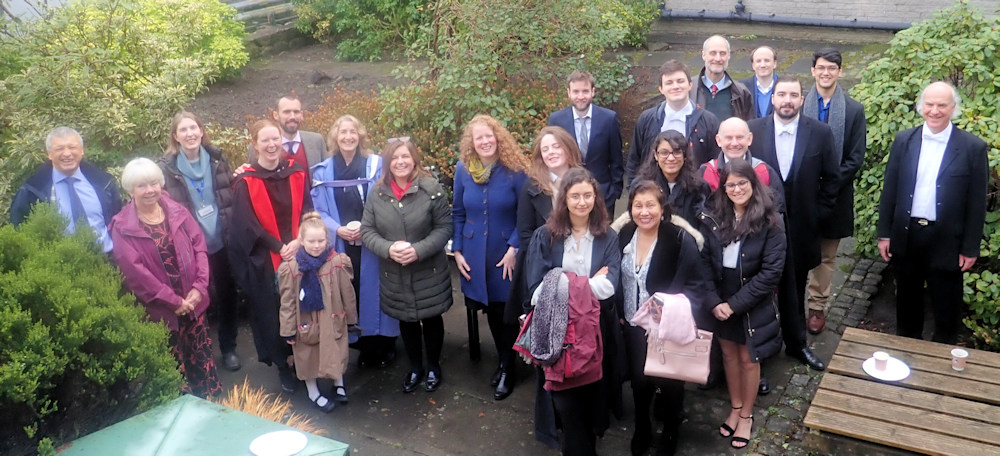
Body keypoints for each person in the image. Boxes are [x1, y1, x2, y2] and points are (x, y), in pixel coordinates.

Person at [877, 81, 987, 344]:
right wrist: (884, 234)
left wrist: (970, 248)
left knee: (947, 309)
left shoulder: (972, 147)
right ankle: (906, 355)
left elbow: (976, 203)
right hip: (908, 236)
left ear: (953, 108)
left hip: (947, 240)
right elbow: (890, 190)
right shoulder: (904, 140)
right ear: (921, 106)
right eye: (930, 104)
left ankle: (942, 367)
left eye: (942, 105)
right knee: (906, 305)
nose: (935, 111)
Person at [523, 167, 620, 456]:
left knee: (591, 397)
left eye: (587, 195)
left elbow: (611, 286)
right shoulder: (546, 236)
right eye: (575, 196)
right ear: (564, 199)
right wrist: (587, 284)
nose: (581, 202)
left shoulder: (608, 237)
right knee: (565, 402)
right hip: (557, 333)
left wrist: (560, 282)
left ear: (596, 198)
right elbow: (537, 292)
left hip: (595, 331)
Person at [616, 179, 715, 456]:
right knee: (639, 381)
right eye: (638, 205)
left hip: (666, 328)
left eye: (650, 205)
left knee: (670, 383)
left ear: (662, 208)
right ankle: (642, 427)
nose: (644, 212)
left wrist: (668, 308)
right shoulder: (624, 235)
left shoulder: (679, 239)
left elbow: (696, 284)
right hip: (634, 326)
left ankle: (671, 429)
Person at [110, 158, 221, 398]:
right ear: (130, 190)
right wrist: (174, 302)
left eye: (153, 183)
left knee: (201, 358)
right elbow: (136, 274)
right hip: (162, 312)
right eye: (141, 186)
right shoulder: (122, 226)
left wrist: (199, 288)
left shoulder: (177, 211)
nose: (149, 190)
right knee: (174, 366)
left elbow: (199, 247)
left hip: (193, 303)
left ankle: (211, 407)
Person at [748, 76, 838, 372]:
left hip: (802, 227)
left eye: (794, 95)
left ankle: (797, 344)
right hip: (759, 225)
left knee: (795, 287)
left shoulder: (821, 133)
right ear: (772, 98)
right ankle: (758, 350)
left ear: (802, 99)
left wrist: (819, 216)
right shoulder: (753, 131)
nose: (787, 100)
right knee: (757, 287)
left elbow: (831, 179)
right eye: (781, 94)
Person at [699, 158, 785, 449]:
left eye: (742, 183)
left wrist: (734, 305)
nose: (736, 189)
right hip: (719, 300)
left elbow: (772, 273)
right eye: (730, 184)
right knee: (728, 356)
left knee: (749, 360)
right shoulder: (713, 217)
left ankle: (746, 416)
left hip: (750, 303)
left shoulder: (771, 221)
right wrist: (714, 301)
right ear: (723, 188)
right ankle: (735, 407)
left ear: (753, 184)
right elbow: (704, 264)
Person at [507, 126, 584, 449]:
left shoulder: (583, 181)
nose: (551, 153)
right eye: (545, 149)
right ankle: (551, 417)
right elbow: (525, 234)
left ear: (568, 148)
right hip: (544, 275)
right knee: (550, 345)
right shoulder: (532, 188)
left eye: (556, 147)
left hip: (581, 273)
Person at [361, 138, 453, 393]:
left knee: (431, 319)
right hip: (395, 271)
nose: (400, 162)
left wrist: (418, 250)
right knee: (407, 320)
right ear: (387, 163)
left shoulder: (431, 188)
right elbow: (367, 231)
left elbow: (444, 227)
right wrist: (388, 249)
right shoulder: (377, 193)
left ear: (414, 159)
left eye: (405, 157)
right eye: (395, 158)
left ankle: (433, 366)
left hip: (428, 270)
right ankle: (415, 367)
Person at [229, 119, 314, 394]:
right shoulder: (245, 181)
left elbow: (308, 210)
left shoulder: (297, 172)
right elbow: (246, 225)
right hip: (267, 259)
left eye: (275, 139)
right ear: (255, 145)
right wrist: (279, 246)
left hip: (300, 250)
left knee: (304, 307)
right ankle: (283, 365)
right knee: (276, 313)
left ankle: (306, 361)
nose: (271, 144)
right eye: (264, 140)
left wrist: (299, 240)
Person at [311, 115, 399, 369]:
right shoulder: (324, 171)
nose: (348, 137)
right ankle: (362, 345)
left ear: (360, 136)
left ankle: (385, 344)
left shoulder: (376, 165)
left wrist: (367, 228)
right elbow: (319, 209)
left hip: (372, 238)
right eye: (343, 132)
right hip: (342, 241)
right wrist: (337, 230)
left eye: (353, 132)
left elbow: (387, 200)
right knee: (351, 290)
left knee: (378, 290)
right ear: (335, 138)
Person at [158, 111, 242, 372]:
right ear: (175, 136)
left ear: (201, 131)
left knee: (227, 297)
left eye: (193, 128)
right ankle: (201, 353)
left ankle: (228, 348)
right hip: (190, 248)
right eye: (183, 130)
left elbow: (228, 189)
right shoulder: (166, 168)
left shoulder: (216, 158)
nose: (190, 134)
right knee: (197, 299)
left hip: (221, 240)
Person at [453, 115, 529, 400]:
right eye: (478, 138)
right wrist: (457, 250)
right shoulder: (463, 170)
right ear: (471, 143)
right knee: (490, 312)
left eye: (489, 136)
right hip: (473, 254)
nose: (485, 142)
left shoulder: (516, 170)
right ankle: (503, 360)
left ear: (498, 137)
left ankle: (509, 367)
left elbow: (526, 214)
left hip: (504, 254)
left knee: (505, 312)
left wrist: (514, 248)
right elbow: (458, 211)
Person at [802, 47, 867, 334]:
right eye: (821, 67)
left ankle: (817, 306)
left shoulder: (853, 110)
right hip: (799, 195)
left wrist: (827, 183)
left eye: (832, 68)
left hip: (835, 196)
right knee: (793, 252)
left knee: (826, 257)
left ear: (840, 72)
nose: (826, 73)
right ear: (813, 70)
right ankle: (789, 305)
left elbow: (855, 158)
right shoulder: (797, 103)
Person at [278, 212, 358, 413]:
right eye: (311, 241)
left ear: (327, 239)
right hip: (306, 322)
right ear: (301, 240)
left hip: (333, 318)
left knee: (335, 351)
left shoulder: (337, 262)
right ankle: (313, 391)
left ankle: (338, 383)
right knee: (307, 355)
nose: (316, 245)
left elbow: (347, 293)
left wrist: (351, 318)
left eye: (321, 240)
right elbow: (287, 302)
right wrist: (288, 329)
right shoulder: (291, 268)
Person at [10, 127, 122, 252]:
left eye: (72, 147)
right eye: (59, 149)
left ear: (82, 150)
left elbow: (119, 223)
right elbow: (19, 232)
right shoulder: (32, 190)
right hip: (60, 265)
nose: (67, 153)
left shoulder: (104, 184)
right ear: (49, 154)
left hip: (108, 261)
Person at [627, 59, 720, 183]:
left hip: (695, 194)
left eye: (680, 81)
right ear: (661, 89)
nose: (675, 86)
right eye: (669, 83)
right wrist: (635, 191)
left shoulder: (709, 121)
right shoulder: (647, 119)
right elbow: (634, 161)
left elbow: (715, 163)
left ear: (690, 85)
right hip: (654, 194)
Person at [547, 70, 625, 212]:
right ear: (568, 93)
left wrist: (615, 191)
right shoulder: (556, 120)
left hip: (603, 195)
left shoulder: (608, 119)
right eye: (576, 92)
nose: (580, 96)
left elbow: (616, 159)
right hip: (569, 194)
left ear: (593, 91)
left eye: (585, 91)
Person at [634, 130, 711, 225]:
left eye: (677, 152)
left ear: (685, 155)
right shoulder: (640, 185)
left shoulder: (699, 187)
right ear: (655, 155)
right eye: (664, 152)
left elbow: (705, 227)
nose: (671, 158)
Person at [248, 95, 328, 174]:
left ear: (301, 115)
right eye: (287, 112)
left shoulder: (316, 141)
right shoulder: (260, 146)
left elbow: (328, 172)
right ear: (276, 115)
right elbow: (252, 174)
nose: (292, 117)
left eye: (296, 112)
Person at [692, 35, 753, 122]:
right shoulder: (689, 89)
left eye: (722, 53)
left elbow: (748, 127)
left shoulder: (741, 92)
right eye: (713, 53)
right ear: (703, 55)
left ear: (729, 56)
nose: (718, 58)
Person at [738, 46, 779, 119]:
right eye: (758, 61)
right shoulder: (740, 88)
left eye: (767, 60)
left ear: (775, 64)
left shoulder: (785, 87)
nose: (762, 65)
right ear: (753, 65)